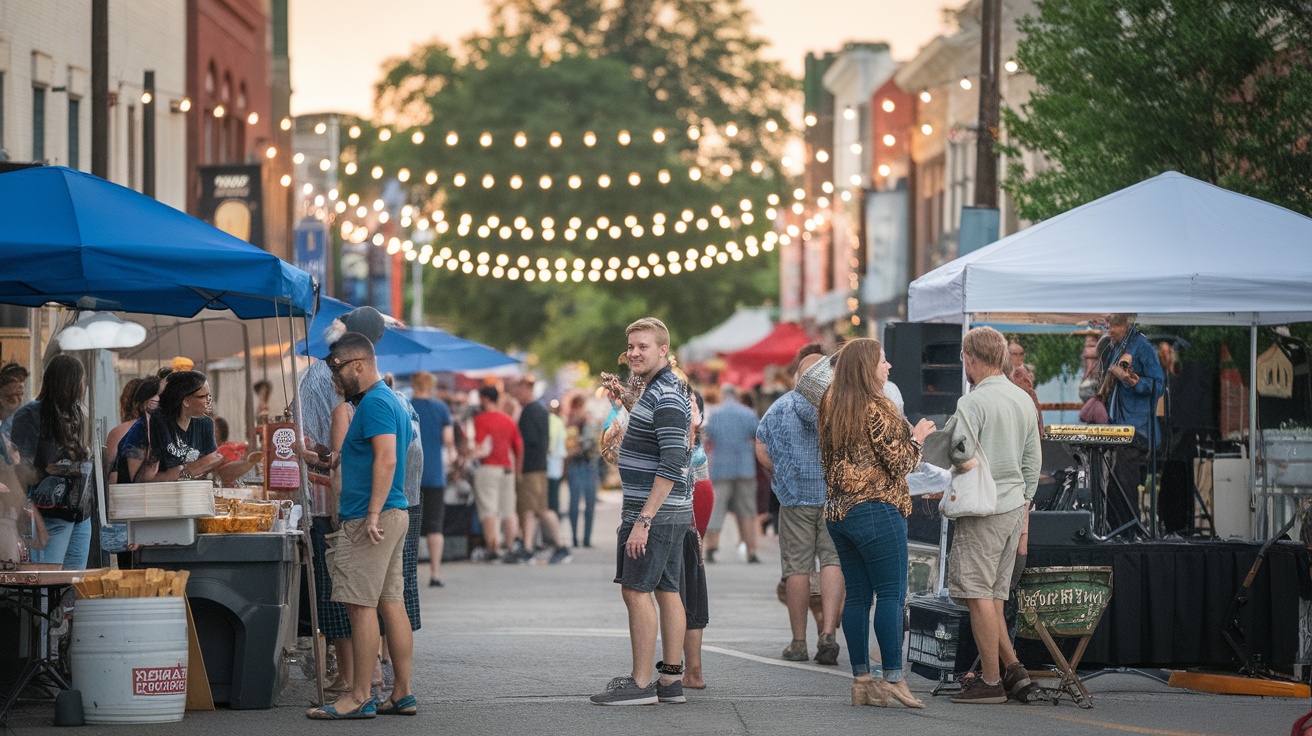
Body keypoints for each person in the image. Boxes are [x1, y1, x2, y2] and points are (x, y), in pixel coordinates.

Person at [818, 338, 934, 709]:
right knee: (890, 595)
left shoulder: (831, 402)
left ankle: (862, 681)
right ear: (868, 366)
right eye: (883, 361)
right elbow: (899, 462)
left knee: (857, 597)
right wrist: (917, 438)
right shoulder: (877, 405)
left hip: (840, 512)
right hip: (877, 509)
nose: (888, 367)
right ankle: (894, 679)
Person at [306, 332, 415, 719]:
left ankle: (358, 695)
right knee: (389, 603)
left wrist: (370, 513)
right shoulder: (385, 400)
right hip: (389, 514)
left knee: (360, 606)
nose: (333, 376)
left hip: (373, 518)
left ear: (359, 365)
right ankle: (400, 693)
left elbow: (386, 459)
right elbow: (371, 457)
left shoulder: (374, 404)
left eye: (337, 368)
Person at [590, 317, 692, 706]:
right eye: (630, 346)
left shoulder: (665, 395)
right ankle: (670, 680)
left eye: (643, 346)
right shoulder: (658, 389)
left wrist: (643, 521)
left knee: (636, 590)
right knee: (667, 590)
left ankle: (641, 683)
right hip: (665, 512)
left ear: (663, 350)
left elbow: (671, 464)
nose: (633, 352)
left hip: (655, 514)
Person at [944, 326, 1042, 705]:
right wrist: (1025, 502)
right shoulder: (1022, 399)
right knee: (994, 596)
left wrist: (941, 446)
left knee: (978, 594)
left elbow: (959, 450)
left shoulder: (972, 402)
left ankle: (989, 681)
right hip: (1015, 504)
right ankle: (1013, 670)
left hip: (982, 506)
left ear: (970, 358)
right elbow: (1033, 461)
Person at [756, 347, 843, 666]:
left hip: (794, 499)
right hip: (834, 496)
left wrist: (778, 471)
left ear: (798, 376)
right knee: (833, 562)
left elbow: (761, 445)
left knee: (797, 569)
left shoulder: (781, 407)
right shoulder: (839, 406)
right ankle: (829, 634)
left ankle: (798, 642)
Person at [10, 355, 96, 569]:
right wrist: (26, 511)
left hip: (81, 512)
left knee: (73, 584)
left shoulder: (80, 414)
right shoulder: (30, 415)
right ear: (70, 382)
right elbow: (19, 469)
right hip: (47, 510)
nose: (83, 386)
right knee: (47, 580)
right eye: (80, 380)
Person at [1099, 314, 1165, 533]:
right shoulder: (1121, 346)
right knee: (1116, 490)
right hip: (1123, 430)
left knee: (1124, 488)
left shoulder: (1142, 347)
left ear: (1126, 324)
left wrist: (1133, 382)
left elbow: (1158, 385)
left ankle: (1131, 534)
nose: (1111, 330)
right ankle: (1119, 532)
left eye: (1115, 325)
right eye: (1109, 325)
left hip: (1138, 431)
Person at [115, 370, 226, 484]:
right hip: (145, 498)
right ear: (186, 401)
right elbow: (137, 481)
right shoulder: (152, 424)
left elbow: (210, 465)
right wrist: (184, 472)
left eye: (209, 395)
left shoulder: (205, 424)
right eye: (203, 396)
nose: (209, 401)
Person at [506, 378, 570, 564]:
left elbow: (527, 443)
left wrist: (519, 467)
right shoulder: (539, 409)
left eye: (518, 389)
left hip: (531, 468)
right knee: (530, 509)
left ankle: (560, 546)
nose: (515, 394)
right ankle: (527, 548)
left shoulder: (531, 411)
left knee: (540, 509)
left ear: (527, 389)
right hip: (538, 466)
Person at [702, 384, 760, 564]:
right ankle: (751, 551)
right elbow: (758, 436)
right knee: (748, 510)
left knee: (716, 509)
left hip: (720, 467)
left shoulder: (715, 415)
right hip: (745, 467)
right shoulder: (749, 414)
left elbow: (707, 437)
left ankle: (712, 547)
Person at [410, 371, 454, 586]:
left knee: (411, 526)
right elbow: (448, 439)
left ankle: (410, 574)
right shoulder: (441, 408)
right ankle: (435, 574)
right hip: (435, 474)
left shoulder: (406, 406)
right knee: (435, 526)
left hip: (411, 475)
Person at [471, 385, 522, 560]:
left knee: (489, 510)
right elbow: (518, 447)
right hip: (507, 469)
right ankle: (510, 548)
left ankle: (493, 549)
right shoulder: (508, 420)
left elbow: (477, 445)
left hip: (488, 468)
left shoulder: (480, 419)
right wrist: (518, 471)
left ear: (484, 398)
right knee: (509, 510)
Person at [564, 394, 600, 548]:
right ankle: (584, 539)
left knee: (576, 503)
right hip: (585, 464)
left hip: (577, 464)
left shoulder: (568, 422)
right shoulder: (582, 421)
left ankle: (576, 539)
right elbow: (591, 444)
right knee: (587, 505)